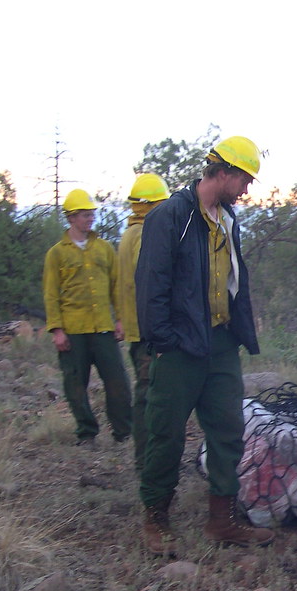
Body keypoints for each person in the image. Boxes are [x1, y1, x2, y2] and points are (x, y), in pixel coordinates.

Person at [135, 136, 273, 554]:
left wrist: (240, 331)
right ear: (223, 173)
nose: (247, 189)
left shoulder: (227, 218)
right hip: (179, 347)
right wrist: (163, 341)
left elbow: (234, 282)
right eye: (244, 179)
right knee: (166, 432)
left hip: (221, 342)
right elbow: (151, 285)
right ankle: (156, 519)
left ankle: (221, 520)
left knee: (229, 430)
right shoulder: (170, 216)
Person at [43, 188, 132, 446]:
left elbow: (117, 287)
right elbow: (51, 293)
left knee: (118, 382)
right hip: (72, 330)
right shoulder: (57, 253)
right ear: (71, 218)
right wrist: (57, 330)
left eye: (92, 214)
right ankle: (86, 433)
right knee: (75, 385)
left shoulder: (104, 249)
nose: (90, 219)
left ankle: (123, 432)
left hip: (103, 327)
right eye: (84, 215)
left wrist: (121, 320)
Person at [117, 173, 170, 472]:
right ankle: (146, 461)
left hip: (138, 327)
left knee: (145, 391)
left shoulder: (129, 232)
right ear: (150, 205)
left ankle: (145, 459)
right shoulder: (144, 234)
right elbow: (152, 278)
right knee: (149, 396)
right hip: (149, 329)